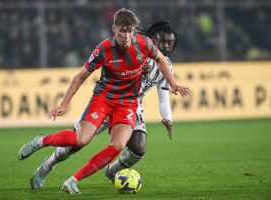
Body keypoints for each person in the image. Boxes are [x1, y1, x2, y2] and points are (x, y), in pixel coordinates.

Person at [18, 8, 188, 195]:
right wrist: (63, 105)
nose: (164, 46)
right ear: (114, 29)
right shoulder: (105, 49)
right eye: (122, 31)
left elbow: (162, 71)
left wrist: (173, 89)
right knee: (78, 143)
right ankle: (46, 162)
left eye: (169, 43)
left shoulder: (148, 49)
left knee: (126, 146)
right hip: (105, 100)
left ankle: (79, 179)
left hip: (130, 104)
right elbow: (79, 77)